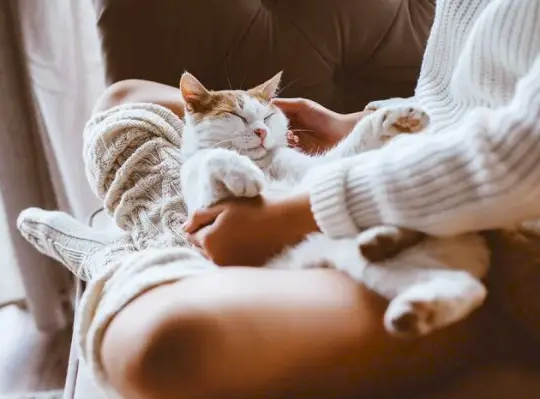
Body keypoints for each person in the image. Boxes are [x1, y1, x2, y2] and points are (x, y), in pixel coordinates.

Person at [94, 0, 539, 398]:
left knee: (160, 348)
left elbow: (523, 156)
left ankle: (156, 236)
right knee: (124, 98)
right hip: (432, 152)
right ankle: (166, 230)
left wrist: (293, 216)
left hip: (504, 218)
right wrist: (358, 123)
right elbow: (474, 92)